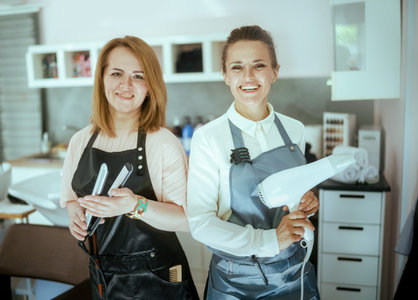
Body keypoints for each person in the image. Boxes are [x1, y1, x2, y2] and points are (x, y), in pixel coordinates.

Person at [187, 25, 321, 299]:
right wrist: (270, 240)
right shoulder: (208, 138)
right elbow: (200, 223)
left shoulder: (294, 129)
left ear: (275, 71)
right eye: (237, 67)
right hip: (236, 281)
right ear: (225, 75)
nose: (248, 76)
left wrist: (305, 201)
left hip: (294, 271)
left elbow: (289, 194)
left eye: (259, 65)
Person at [60, 36, 199, 300]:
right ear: (102, 79)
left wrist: (135, 205)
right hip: (103, 275)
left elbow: (186, 220)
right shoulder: (80, 141)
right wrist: (75, 217)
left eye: (138, 75)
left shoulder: (162, 142)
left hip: (158, 277)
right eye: (116, 73)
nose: (126, 85)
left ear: (150, 86)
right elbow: (71, 199)